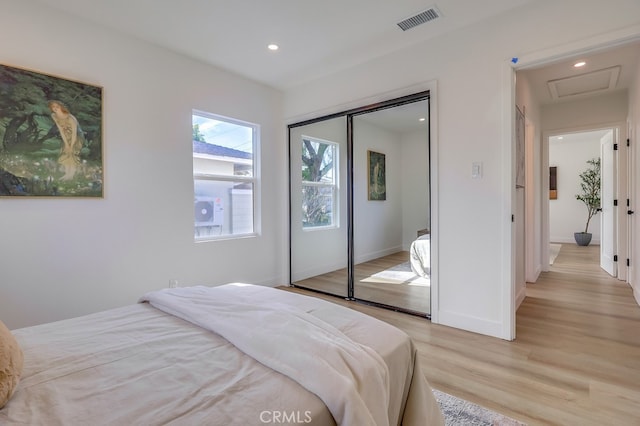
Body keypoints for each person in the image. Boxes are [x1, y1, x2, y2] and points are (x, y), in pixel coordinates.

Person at [48, 100, 84, 181]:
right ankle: (67, 174)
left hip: (77, 137)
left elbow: (75, 133)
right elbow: (61, 130)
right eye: (53, 107)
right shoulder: (54, 115)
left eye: (57, 106)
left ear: (61, 106)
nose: (55, 108)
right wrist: (66, 144)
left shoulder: (70, 118)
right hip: (66, 137)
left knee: (72, 154)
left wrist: (71, 146)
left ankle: (71, 175)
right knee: (65, 153)